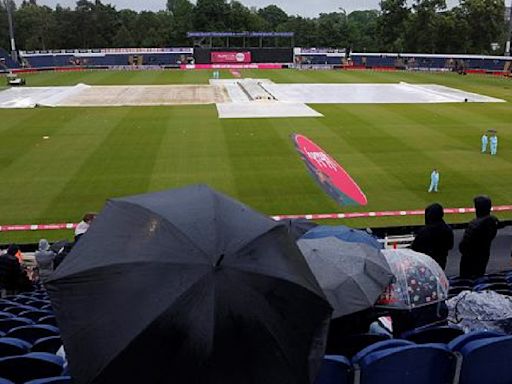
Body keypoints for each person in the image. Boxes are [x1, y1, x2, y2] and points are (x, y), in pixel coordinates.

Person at [459, 195, 499, 279]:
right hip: (483, 256)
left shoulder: (474, 225)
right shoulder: (492, 222)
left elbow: (463, 247)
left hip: (469, 260)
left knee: (466, 279)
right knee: (479, 276)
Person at [411, 203, 454, 270]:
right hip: (441, 262)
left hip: (426, 264)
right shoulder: (447, 229)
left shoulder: (424, 231)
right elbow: (450, 245)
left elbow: (415, 248)